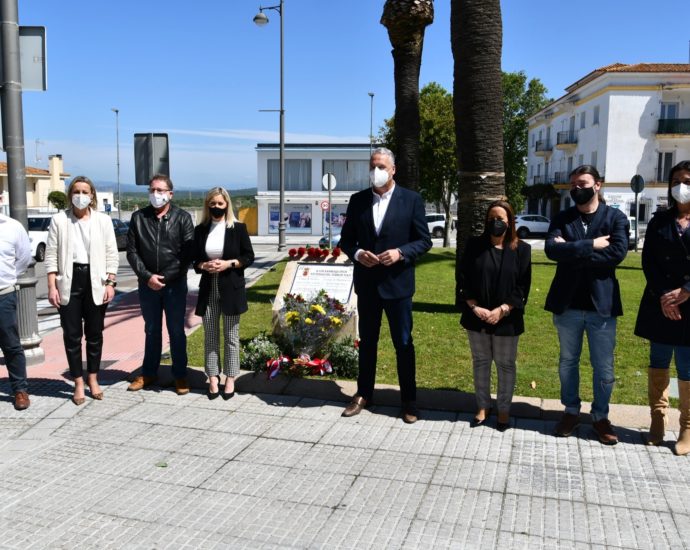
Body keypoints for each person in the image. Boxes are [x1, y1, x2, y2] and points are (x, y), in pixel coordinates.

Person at [338, 147, 432, 423]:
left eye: (381, 166)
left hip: (398, 285)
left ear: (393, 170)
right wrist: (357, 254)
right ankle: (363, 394)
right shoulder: (357, 201)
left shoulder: (411, 200)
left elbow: (424, 240)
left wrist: (400, 253)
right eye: (372, 166)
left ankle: (409, 401)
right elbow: (346, 241)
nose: (375, 171)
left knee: (403, 343)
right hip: (367, 285)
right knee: (367, 342)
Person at [545, 165, 629, 445]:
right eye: (572, 184)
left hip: (601, 307)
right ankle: (570, 411)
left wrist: (572, 250)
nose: (575, 189)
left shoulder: (615, 217)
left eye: (581, 183)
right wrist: (591, 244)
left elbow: (617, 254)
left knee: (603, 366)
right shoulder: (563, 217)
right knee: (567, 362)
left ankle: (600, 417)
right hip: (567, 305)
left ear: (597, 185)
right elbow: (551, 249)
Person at [456, 200, 531, 431]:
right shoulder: (474, 245)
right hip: (476, 315)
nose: (495, 223)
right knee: (480, 362)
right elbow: (463, 277)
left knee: (505, 364)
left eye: (500, 219)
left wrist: (502, 310)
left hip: (506, 319)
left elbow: (522, 287)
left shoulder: (522, 250)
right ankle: (483, 406)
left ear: (509, 222)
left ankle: (504, 409)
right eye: (491, 219)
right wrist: (473, 306)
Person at [45, 176, 119, 405]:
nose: (81, 195)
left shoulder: (103, 221)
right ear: (70, 195)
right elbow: (51, 256)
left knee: (95, 335)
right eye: (76, 191)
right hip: (69, 281)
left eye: (85, 191)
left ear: (92, 195)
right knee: (72, 336)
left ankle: (93, 378)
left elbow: (111, 254)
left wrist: (110, 283)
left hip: (96, 281)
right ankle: (78, 382)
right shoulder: (59, 220)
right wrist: (51, 286)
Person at [635, 160, 690, 455]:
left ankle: (687, 427)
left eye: (688, 180)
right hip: (661, 301)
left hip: (689, 304)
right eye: (677, 180)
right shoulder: (659, 220)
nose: (682, 186)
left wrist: (685, 291)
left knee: (687, 366)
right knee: (658, 360)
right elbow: (649, 261)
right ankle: (658, 419)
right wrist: (665, 295)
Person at [126, 174, 194, 395]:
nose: (156, 194)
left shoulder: (183, 218)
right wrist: (148, 277)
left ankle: (180, 375)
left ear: (170, 194)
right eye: (152, 190)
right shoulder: (138, 218)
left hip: (174, 286)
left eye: (161, 190)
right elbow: (132, 252)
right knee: (151, 330)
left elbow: (186, 255)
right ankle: (148, 372)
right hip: (147, 286)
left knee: (176, 331)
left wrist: (163, 278)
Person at [193, 188, 254, 400]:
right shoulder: (200, 229)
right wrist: (203, 265)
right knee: (210, 335)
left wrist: (229, 263)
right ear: (207, 205)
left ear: (227, 204)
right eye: (212, 204)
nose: (216, 207)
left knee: (231, 336)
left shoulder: (238, 228)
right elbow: (194, 261)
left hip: (231, 288)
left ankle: (230, 377)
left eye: (220, 204)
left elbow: (248, 256)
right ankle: (212, 377)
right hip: (209, 287)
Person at [0, 212, 32, 410]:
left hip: (3, 294)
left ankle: (20, 390)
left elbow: (24, 258)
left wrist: (8, 278)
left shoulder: (12, 227)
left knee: (11, 345)